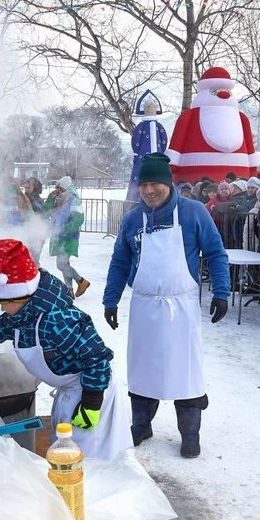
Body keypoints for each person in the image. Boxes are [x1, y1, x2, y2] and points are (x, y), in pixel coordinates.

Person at [0, 239, 132, 459]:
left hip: (90, 391)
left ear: (24, 295)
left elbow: (97, 359)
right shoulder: (19, 315)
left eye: (5, 301)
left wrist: (92, 402)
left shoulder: (58, 321)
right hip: (69, 394)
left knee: (90, 459)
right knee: (65, 454)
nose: (2, 307)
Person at [102, 152, 231, 459]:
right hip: (144, 306)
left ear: (168, 183)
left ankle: (190, 434)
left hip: (180, 306)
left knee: (184, 371)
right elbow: (120, 260)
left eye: (155, 183)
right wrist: (111, 299)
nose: (149, 190)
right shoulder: (133, 218)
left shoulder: (193, 212)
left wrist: (222, 292)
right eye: (143, 184)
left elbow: (215, 253)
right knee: (142, 368)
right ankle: (141, 424)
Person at [49, 176, 90, 298]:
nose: (58, 190)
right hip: (60, 235)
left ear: (65, 188)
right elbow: (47, 210)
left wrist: (65, 229)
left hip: (68, 237)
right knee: (64, 264)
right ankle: (69, 290)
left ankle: (82, 281)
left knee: (61, 264)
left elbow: (79, 218)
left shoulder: (73, 199)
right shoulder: (59, 199)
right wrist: (51, 198)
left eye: (60, 188)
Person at [23, 177, 49, 265]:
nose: (26, 190)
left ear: (35, 188)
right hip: (26, 233)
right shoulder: (22, 200)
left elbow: (44, 216)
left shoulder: (39, 202)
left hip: (37, 235)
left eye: (28, 188)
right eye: (25, 188)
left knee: (33, 262)